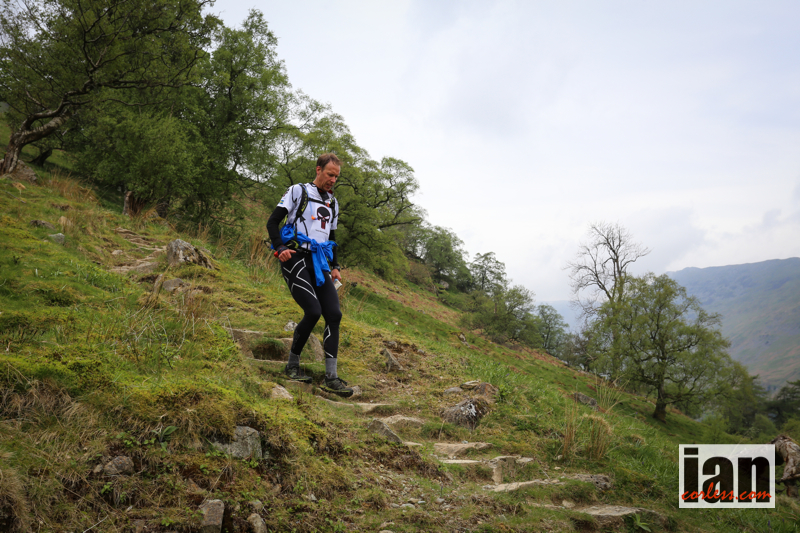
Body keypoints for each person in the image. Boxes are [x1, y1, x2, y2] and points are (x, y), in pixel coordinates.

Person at [266, 153, 354, 398]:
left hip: (319, 262)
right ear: (318, 170)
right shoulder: (298, 191)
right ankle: (292, 366)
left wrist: (335, 265)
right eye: (329, 174)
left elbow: (331, 236)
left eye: (336, 177)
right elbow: (273, 222)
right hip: (294, 257)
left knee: (334, 314)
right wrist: (279, 247)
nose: (333, 180)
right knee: (314, 311)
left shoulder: (333, 203)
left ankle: (331, 378)